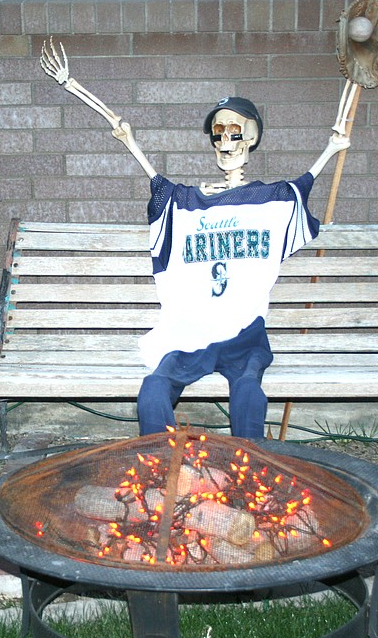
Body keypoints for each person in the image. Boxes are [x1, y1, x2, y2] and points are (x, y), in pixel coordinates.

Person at [40, 41, 349, 438]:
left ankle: (250, 474)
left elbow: (302, 184)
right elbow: (156, 181)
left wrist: (332, 146)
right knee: (153, 389)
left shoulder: (269, 200)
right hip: (190, 330)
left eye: (234, 131)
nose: (225, 140)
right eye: (217, 132)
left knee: (248, 392)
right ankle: (161, 471)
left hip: (243, 333)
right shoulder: (188, 202)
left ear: (251, 137)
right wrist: (126, 137)